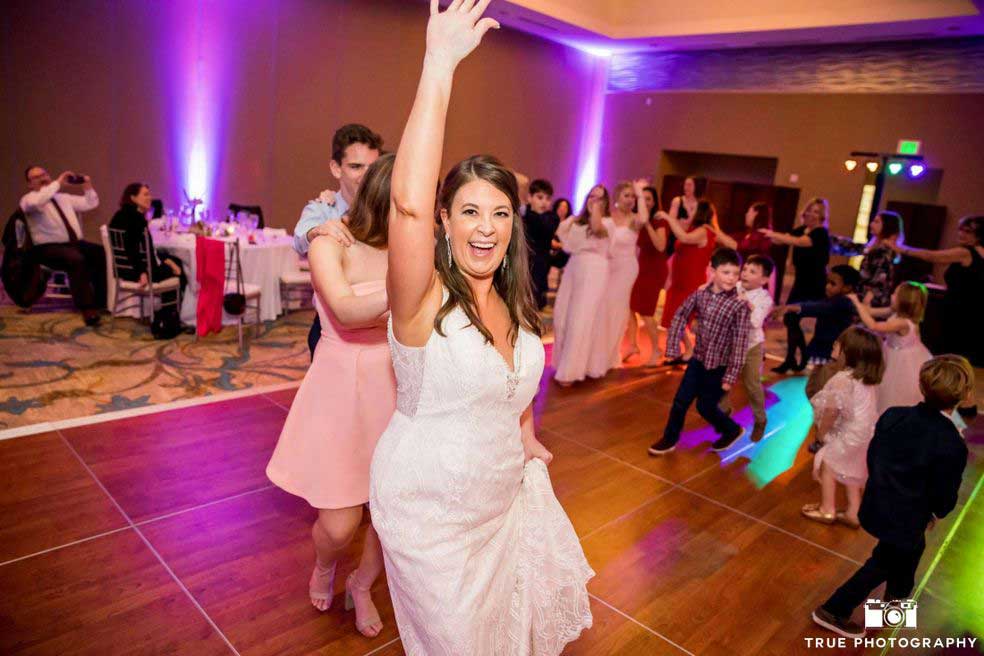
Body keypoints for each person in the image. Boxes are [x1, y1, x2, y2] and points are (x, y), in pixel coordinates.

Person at [368, 3, 592, 654]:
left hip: (503, 506)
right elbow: (404, 205)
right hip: (429, 514)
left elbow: (509, 393)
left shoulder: (519, 307)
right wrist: (438, 65)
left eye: (499, 212)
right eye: (469, 211)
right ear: (443, 220)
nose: (486, 227)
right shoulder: (419, 299)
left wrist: (529, 440)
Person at [266, 154, 396, 638]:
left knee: (390, 517)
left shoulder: (417, 246)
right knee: (340, 525)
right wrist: (414, 283)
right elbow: (343, 308)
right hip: (342, 388)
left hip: (399, 387)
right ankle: (325, 564)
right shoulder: (329, 239)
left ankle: (362, 585)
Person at [811, 355, 972, 639]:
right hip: (907, 518)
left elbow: (875, 458)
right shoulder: (951, 443)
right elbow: (944, 496)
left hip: (879, 504)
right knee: (885, 562)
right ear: (964, 395)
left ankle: (893, 606)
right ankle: (833, 610)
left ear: (922, 386)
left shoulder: (894, 415)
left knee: (908, 553)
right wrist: (933, 512)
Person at [291, 124, 384, 358]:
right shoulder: (324, 209)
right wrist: (317, 230)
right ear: (336, 168)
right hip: (332, 327)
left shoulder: (385, 210)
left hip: (383, 325)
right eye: (355, 166)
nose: (365, 175)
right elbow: (300, 237)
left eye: (372, 168)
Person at [648, 248, 750, 456]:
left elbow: (740, 345)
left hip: (720, 367)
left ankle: (731, 430)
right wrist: (673, 347)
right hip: (698, 360)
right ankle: (670, 439)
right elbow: (680, 315)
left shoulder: (740, 306)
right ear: (712, 271)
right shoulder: (700, 293)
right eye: (725, 272)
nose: (731, 278)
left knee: (705, 406)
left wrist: (730, 376)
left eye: (735, 273)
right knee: (680, 401)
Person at [800, 327, 883, 528]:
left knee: (829, 466)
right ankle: (854, 513)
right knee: (852, 470)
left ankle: (827, 510)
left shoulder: (842, 379)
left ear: (850, 352)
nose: (834, 344)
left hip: (849, 434)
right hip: (865, 434)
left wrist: (820, 435)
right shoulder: (864, 379)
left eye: (839, 343)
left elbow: (831, 412)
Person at [890, 215, 984, 370]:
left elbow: (931, 256)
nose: (961, 234)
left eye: (968, 231)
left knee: (947, 354)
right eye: (961, 229)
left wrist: (901, 249)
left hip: (959, 313)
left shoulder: (966, 252)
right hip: (970, 311)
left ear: (979, 235)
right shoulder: (979, 254)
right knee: (960, 360)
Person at [19, 166, 105, 325]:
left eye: (44, 174)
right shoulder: (28, 200)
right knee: (76, 259)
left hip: (74, 244)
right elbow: (40, 200)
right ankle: (87, 308)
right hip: (47, 248)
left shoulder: (62, 197)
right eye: (36, 177)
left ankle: (102, 301)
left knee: (100, 253)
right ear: (30, 184)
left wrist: (87, 185)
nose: (42, 178)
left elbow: (90, 203)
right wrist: (58, 182)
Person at [761, 197, 831, 372]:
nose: (812, 214)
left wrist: (776, 235)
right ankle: (792, 358)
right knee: (790, 318)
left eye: (817, 212)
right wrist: (768, 232)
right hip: (801, 281)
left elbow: (798, 242)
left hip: (815, 283)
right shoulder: (802, 229)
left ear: (822, 216)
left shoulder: (820, 233)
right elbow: (782, 239)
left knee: (806, 319)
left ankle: (804, 355)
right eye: (810, 210)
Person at [551, 185, 612, 385]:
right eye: (591, 196)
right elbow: (560, 233)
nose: (593, 200)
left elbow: (596, 229)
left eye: (599, 198)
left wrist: (595, 210)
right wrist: (574, 217)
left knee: (581, 318)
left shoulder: (608, 222)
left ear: (605, 202)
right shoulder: (578, 220)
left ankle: (570, 371)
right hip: (574, 267)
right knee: (562, 315)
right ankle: (562, 362)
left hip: (594, 270)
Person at [589, 179, 646, 374]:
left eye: (632, 196)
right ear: (617, 197)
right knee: (602, 308)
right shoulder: (609, 217)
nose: (630, 199)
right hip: (607, 267)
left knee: (617, 309)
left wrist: (640, 193)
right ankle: (596, 352)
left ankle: (610, 355)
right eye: (627, 195)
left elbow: (645, 219)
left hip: (626, 269)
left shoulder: (635, 220)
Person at [849, 282, 931, 415]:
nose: (892, 295)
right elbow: (869, 313)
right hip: (891, 353)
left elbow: (873, 325)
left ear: (904, 300)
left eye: (895, 294)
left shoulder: (902, 323)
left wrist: (856, 303)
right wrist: (865, 303)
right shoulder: (894, 312)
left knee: (895, 391)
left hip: (903, 361)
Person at [720, 254, 775, 442]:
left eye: (753, 271)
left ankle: (760, 419)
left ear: (764, 279)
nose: (745, 274)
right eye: (745, 269)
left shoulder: (765, 299)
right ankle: (724, 413)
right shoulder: (732, 287)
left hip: (751, 346)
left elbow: (755, 322)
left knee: (751, 385)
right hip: (731, 344)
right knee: (723, 380)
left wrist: (746, 302)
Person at [108, 183, 186, 314]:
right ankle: (170, 315)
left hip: (123, 269)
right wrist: (141, 272)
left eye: (149, 194)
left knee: (172, 260)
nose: (150, 197)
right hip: (139, 271)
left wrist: (167, 260)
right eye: (145, 194)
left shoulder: (120, 214)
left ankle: (168, 313)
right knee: (182, 267)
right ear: (133, 198)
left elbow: (145, 250)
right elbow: (131, 246)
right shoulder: (136, 218)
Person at [658, 200, 718, 364]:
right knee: (674, 318)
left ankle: (692, 352)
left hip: (690, 281)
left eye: (692, 209)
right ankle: (688, 351)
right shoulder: (694, 228)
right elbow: (678, 232)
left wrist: (668, 218)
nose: (688, 211)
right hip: (680, 280)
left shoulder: (703, 231)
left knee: (679, 318)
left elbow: (683, 237)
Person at [772, 264, 859, 369]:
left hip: (828, 353)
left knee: (819, 381)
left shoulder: (843, 302)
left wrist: (791, 307)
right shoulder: (835, 299)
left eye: (833, 284)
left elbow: (818, 307)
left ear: (847, 287)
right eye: (827, 282)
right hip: (824, 350)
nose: (827, 286)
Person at [627, 185, 669, 366]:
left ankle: (657, 349)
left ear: (654, 202)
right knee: (630, 307)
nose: (644, 202)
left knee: (646, 311)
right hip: (640, 267)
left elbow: (660, 245)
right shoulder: (635, 219)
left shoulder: (659, 220)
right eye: (641, 198)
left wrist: (648, 225)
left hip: (654, 268)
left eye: (648, 199)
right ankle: (633, 345)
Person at [831, 210, 903, 308]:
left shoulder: (884, 252)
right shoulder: (874, 248)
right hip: (864, 298)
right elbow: (853, 247)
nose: (871, 224)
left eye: (876, 222)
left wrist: (865, 304)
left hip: (871, 303)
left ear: (887, 226)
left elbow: (878, 282)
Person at [522, 178, 559, 309]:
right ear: (530, 197)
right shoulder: (522, 215)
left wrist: (526, 210)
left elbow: (540, 226)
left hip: (538, 270)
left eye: (548, 198)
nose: (544, 202)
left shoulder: (551, 218)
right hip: (520, 267)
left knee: (533, 307)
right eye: (540, 197)